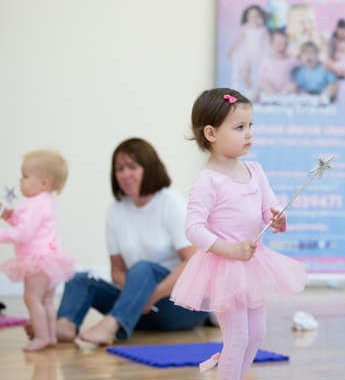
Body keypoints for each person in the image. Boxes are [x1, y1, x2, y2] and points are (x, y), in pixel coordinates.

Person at [170, 88, 308, 380]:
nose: (249, 134)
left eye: (250, 125)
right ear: (211, 134)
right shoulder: (207, 181)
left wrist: (277, 218)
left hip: (252, 264)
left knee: (257, 333)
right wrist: (228, 249)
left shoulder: (255, 171)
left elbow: (268, 209)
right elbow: (194, 229)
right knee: (238, 335)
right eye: (239, 127)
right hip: (225, 268)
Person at [43, 138, 208, 346]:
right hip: (140, 310)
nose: (125, 174)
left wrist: (150, 295)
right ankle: (65, 324)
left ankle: (111, 325)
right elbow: (117, 271)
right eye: (119, 169)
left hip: (178, 306)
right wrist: (137, 295)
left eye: (132, 167)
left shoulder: (171, 203)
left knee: (143, 268)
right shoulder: (116, 211)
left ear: (149, 168)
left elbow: (194, 262)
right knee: (79, 278)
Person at [0, 150, 74, 351]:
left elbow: (22, 233)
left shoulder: (33, 205)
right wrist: (7, 216)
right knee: (47, 300)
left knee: (32, 298)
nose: (20, 181)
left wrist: (2, 235)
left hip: (36, 260)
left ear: (43, 182)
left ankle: (41, 337)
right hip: (50, 259)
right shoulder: (44, 202)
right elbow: (24, 222)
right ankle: (49, 336)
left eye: (25, 176)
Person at [227, 5, 270, 92]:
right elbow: (238, 41)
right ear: (247, 17)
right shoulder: (245, 29)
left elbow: (269, 42)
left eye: (257, 16)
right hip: (246, 54)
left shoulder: (263, 29)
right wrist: (231, 51)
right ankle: (250, 90)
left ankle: (259, 91)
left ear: (261, 17)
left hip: (259, 55)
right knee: (245, 75)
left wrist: (272, 52)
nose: (254, 18)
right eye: (251, 16)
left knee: (260, 75)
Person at [255, 29, 297, 100]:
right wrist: (256, 93)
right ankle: (275, 97)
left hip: (284, 90)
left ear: (287, 45)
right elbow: (260, 78)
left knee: (294, 85)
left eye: (284, 44)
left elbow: (304, 62)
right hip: (270, 90)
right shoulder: (266, 60)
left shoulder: (291, 59)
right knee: (262, 83)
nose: (281, 46)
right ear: (271, 44)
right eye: (278, 43)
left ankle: (279, 97)